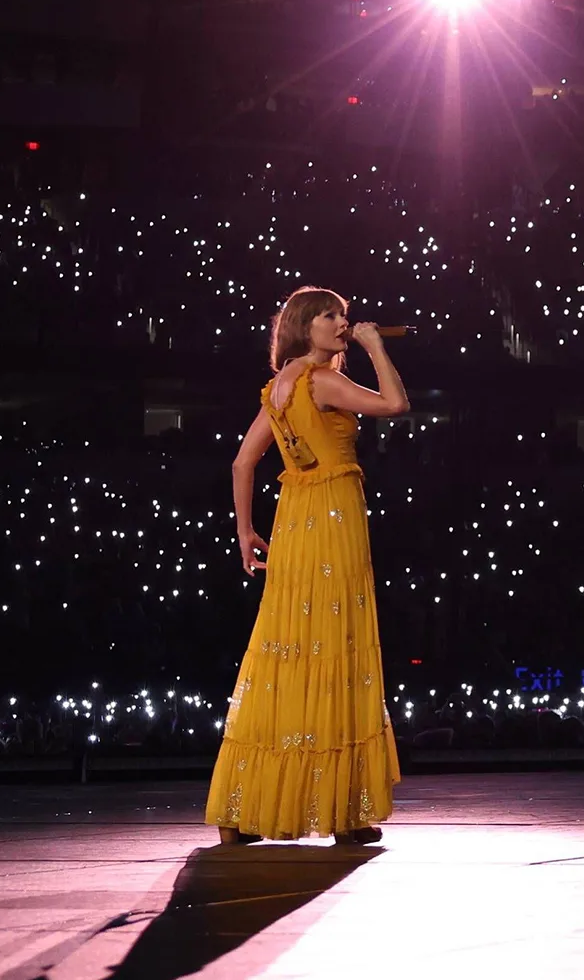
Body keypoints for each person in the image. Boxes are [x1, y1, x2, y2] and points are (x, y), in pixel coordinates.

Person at [205, 286, 410, 846]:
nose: (343, 322)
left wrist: (246, 532)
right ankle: (339, 813)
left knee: (287, 651)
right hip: (333, 520)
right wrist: (373, 347)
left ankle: (244, 812)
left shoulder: (280, 387)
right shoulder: (320, 381)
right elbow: (395, 405)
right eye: (330, 316)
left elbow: (242, 462)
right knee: (334, 649)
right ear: (304, 326)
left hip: (295, 523)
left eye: (344, 315)